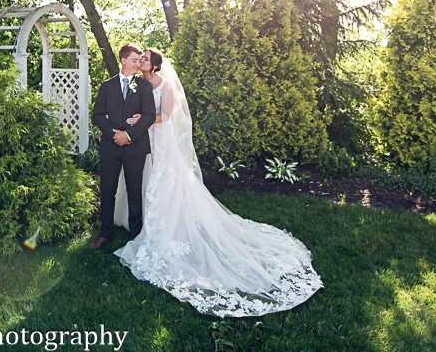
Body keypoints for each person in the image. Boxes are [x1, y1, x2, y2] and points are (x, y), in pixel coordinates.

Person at [111, 48, 323, 317]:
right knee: (144, 175)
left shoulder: (165, 86)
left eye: (144, 59)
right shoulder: (139, 83)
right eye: (139, 59)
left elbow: (167, 115)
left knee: (165, 180)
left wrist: (143, 119)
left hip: (162, 140)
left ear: (154, 65)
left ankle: (166, 225)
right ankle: (137, 218)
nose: (140, 61)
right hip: (143, 139)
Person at [90, 44, 156, 248]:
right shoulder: (106, 86)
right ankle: (105, 233)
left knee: (134, 190)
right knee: (108, 189)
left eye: (140, 60)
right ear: (124, 60)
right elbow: (97, 116)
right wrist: (114, 134)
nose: (139, 64)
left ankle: (135, 234)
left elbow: (149, 116)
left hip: (135, 147)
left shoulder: (144, 87)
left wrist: (128, 135)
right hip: (110, 147)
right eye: (135, 60)